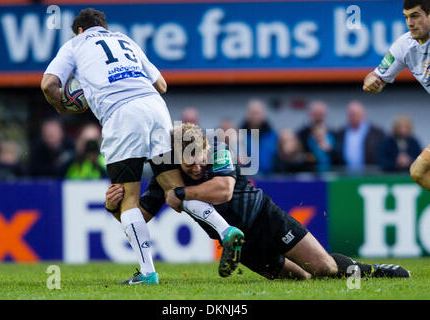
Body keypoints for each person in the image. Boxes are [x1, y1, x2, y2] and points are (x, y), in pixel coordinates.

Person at [41, 8, 243, 285]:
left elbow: (48, 84)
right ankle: (227, 230)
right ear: (105, 27)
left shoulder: (75, 45)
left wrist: (64, 106)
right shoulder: (125, 40)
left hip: (122, 115)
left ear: (78, 30)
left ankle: (148, 272)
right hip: (156, 108)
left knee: (127, 199)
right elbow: (161, 84)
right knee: (175, 190)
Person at [106, 123, 410, 281]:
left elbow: (224, 190)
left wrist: (182, 194)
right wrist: (116, 208)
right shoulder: (168, 176)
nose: (196, 168)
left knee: (324, 269)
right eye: (188, 167)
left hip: (264, 218)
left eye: (198, 161)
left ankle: (371, 271)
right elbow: (140, 218)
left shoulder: (218, 150)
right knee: (302, 279)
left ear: (204, 148)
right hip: (243, 246)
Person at [363, 0, 430, 189]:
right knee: (418, 172)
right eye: (406, 17)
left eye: (415, 16)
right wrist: (371, 82)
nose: (409, 23)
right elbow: (376, 75)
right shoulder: (404, 45)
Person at [334, 100, 385, 173]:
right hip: (345, 174)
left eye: (355, 114)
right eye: (351, 115)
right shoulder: (340, 133)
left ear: (363, 114)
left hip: (370, 174)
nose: (353, 117)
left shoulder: (377, 133)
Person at [239, 99, 278, 175]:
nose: (255, 117)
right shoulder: (239, 136)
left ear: (263, 114)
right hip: (247, 179)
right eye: (253, 113)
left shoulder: (273, 136)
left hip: (271, 179)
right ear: (247, 114)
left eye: (258, 113)